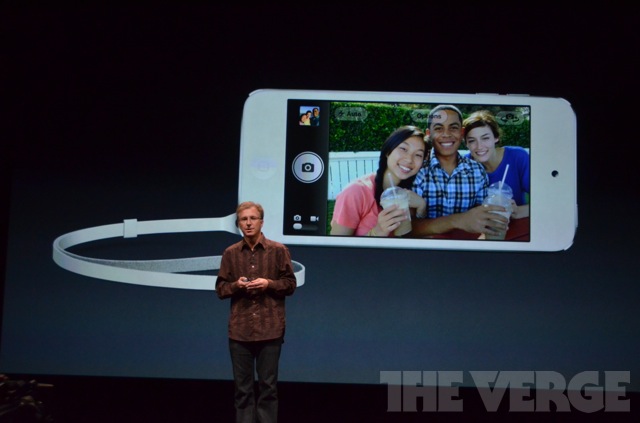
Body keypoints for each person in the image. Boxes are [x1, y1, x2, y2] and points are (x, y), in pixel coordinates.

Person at [216, 201, 297, 423]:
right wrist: (237, 285)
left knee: (268, 388)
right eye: (244, 219)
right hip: (240, 331)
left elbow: (290, 285)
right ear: (238, 224)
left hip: (270, 329)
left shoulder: (278, 250)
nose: (249, 223)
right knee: (242, 390)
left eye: (253, 218)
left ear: (262, 222)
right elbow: (221, 289)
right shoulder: (230, 253)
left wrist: (268, 283)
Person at [411, 105, 509, 237]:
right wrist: (458, 220)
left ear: (462, 132)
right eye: (439, 128)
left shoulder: (477, 171)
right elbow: (409, 227)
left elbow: (481, 219)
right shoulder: (418, 170)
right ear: (429, 134)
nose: (446, 134)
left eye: (453, 128)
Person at [330, 125, 427, 237]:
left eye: (418, 155)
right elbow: (336, 245)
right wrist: (377, 232)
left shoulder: (413, 191)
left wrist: (421, 208)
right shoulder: (356, 192)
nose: (409, 159)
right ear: (388, 151)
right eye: (403, 149)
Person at [463, 110, 530, 219]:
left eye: (485, 138)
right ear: (466, 144)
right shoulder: (464, 166)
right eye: (472, 141)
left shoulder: (518, 157)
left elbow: (544, 199)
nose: (479, 146)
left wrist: (518, 211)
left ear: (496, 137)